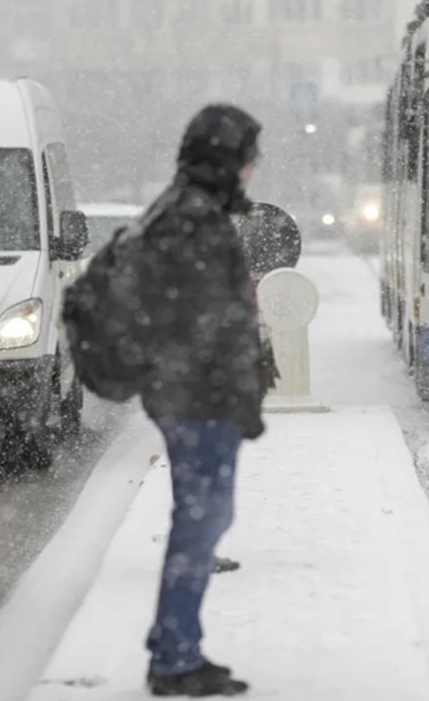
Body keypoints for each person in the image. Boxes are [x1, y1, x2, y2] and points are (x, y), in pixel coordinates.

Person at [138, 105, 266, 697]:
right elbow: (197, 321)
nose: (252, 168)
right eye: (246, 157)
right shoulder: (192, 220)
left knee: (206, 517)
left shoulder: (190, 210)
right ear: (225, 160)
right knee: (201, 519)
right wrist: (229, 391)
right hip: (196, 398)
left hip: (194, 393)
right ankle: (173, 658)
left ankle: (174, 646)